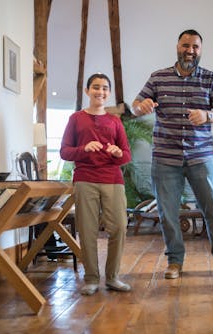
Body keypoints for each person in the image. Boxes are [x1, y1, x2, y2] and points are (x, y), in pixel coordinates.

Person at [132, 29, 213, 279]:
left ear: (200, 50)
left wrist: (207, 115)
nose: (190, 51)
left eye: (195, 47)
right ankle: (174, 262)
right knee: (167, 213)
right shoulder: (158, 78)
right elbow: (136, 106)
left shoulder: (211, 79)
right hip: (165, 158)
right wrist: (142, 107)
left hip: (201, 157)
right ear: (177, 46)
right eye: (185, 45)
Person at [60, 73, 132, 295]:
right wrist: (83, 149)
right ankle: (91, 278)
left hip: (112, 179)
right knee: (87, 230)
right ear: (87, 91)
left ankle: (112, 277)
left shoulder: (115, 121)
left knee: (119, 227)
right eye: (95, 87)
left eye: (104, 88)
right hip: (85, 179)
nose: (100, 91)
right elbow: (64, 151)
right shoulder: (76, 119)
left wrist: (118, 152)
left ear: (108, 93)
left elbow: (126, 155)